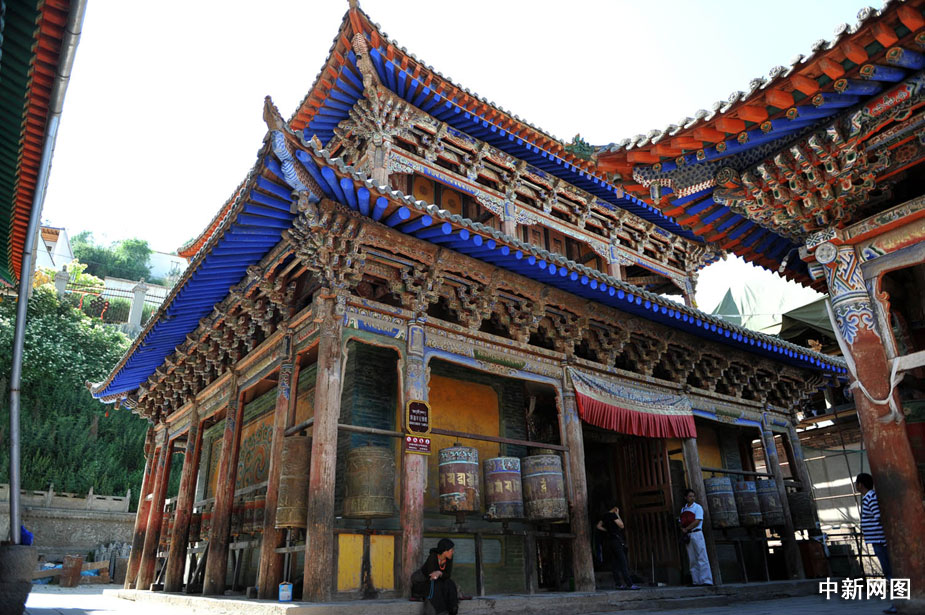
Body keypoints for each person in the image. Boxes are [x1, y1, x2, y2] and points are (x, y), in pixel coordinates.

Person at [856, 473, 895, 615]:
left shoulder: (870, 498)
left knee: (890, 573)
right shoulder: (870, 497)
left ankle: (898, 603)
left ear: (860, 484)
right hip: (877, 540)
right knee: (889, 572)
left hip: (879, 540)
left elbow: (879, 517)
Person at [595, 501, 638, 589]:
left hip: (609, 541)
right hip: (616, 541)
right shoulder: (612, 515)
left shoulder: (604, 516)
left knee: (614, 564)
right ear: (614, 507)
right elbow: (622, 525)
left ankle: (618, 584)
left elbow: (598, 526)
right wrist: (617, 514)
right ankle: (629, 584)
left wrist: (607, 530)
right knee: (623, 562)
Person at [411, 538, 459, 615]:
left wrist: (440, 573)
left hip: (437, 579)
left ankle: (453, 608)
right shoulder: (433, 557)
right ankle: (441, 611)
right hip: (423, 580)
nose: (453, 552)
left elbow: (447, 575)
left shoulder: (449, 558)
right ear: (445, 551)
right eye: (451, 550)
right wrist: (439, 575)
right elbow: (432, 576)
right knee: (437, 586)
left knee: (450, 583)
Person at [679, 488, 713, 586]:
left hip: (697, 533)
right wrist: (682, 528)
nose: (692, 498)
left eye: (693, 496)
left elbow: (697, 520)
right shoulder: (683, 509)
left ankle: (706, 580)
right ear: (685, 497)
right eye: (690, 496)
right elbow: (680, 521)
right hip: (688, 535)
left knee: (702, 556)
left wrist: (686, 528)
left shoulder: (698, 507)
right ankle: (696, 581)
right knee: (692, 558)